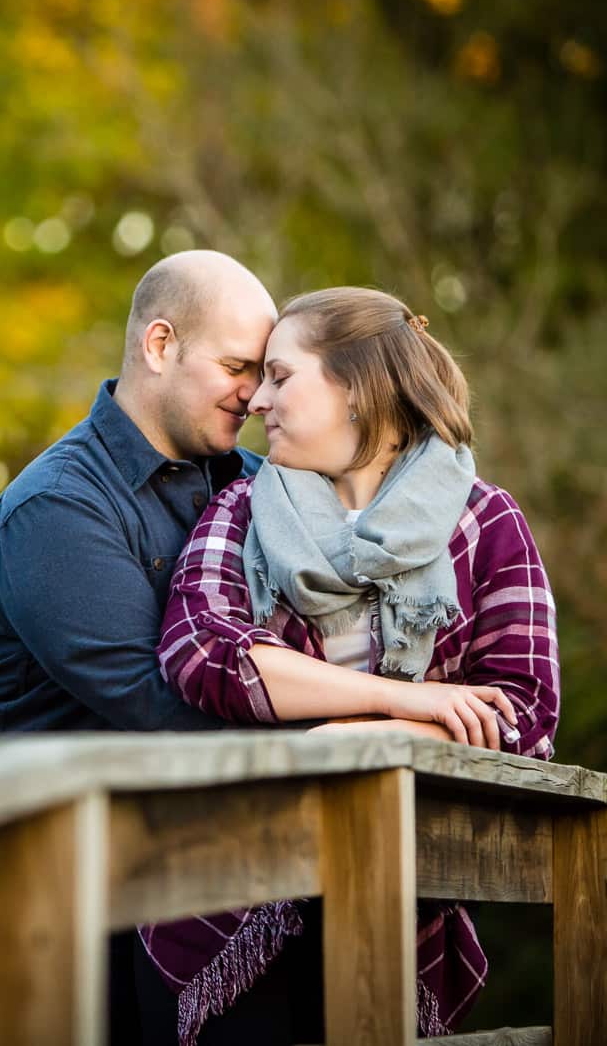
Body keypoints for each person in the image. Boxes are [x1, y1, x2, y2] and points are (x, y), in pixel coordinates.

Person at [134, 286, 561, 1045]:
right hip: (245, 875)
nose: (257, 400)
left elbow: (523, 716)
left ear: (358, 389)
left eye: (281, 375)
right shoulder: (240, 509)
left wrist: (356, 738)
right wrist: (415, 706)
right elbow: (200, 651)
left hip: (395, 880)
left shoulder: (486, 522)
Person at [0, 250, 280, 1043]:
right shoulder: (55, 510)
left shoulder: (260, 485)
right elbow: (159, 702)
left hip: (185, 881)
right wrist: (355, 730)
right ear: (159, 346)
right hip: (37, 887)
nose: (256, 395)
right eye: (237, 367)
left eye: (264, 373)